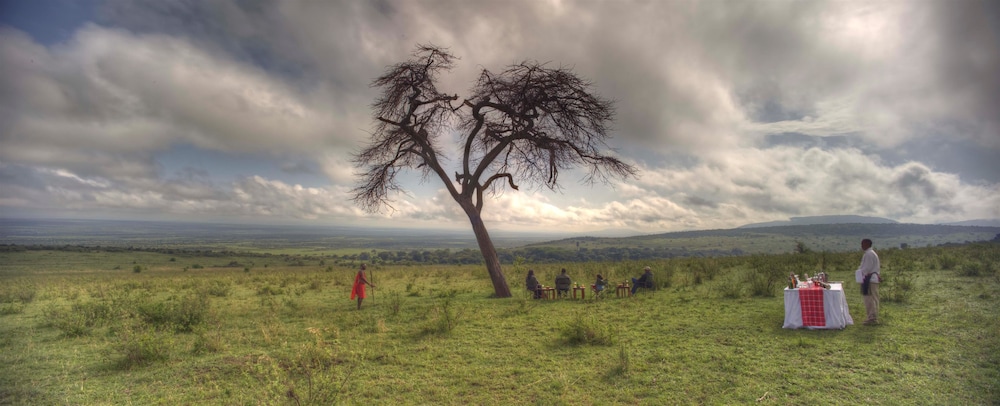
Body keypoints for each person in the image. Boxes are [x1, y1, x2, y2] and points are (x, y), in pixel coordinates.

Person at [855, 238, 881, 325]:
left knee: (870, 299)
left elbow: (866, 268)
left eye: (863, 244)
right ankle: (873, 316)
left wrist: (859, 273)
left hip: (869, 279)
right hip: (871, 278)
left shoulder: (869, 254)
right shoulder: (870, 253)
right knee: (872, 298)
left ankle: (872, 318)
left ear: (867, 244)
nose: (861, 246)